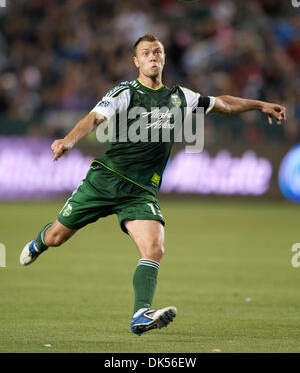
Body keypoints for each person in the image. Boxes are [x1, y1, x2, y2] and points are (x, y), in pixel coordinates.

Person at [19, 33, 286, 336]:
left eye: (157, 52)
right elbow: (94, 119)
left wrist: (259, 105)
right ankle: (39, 243)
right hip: (105, 180)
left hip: (141, 191)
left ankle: (141, 314)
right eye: (146, 53)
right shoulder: (125, 91)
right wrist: (68, 140)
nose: (153, 56)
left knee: (154, 248)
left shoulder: (179, 96)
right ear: (136, 61)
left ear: (164, 59)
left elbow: (222, 103)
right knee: (57, 237)